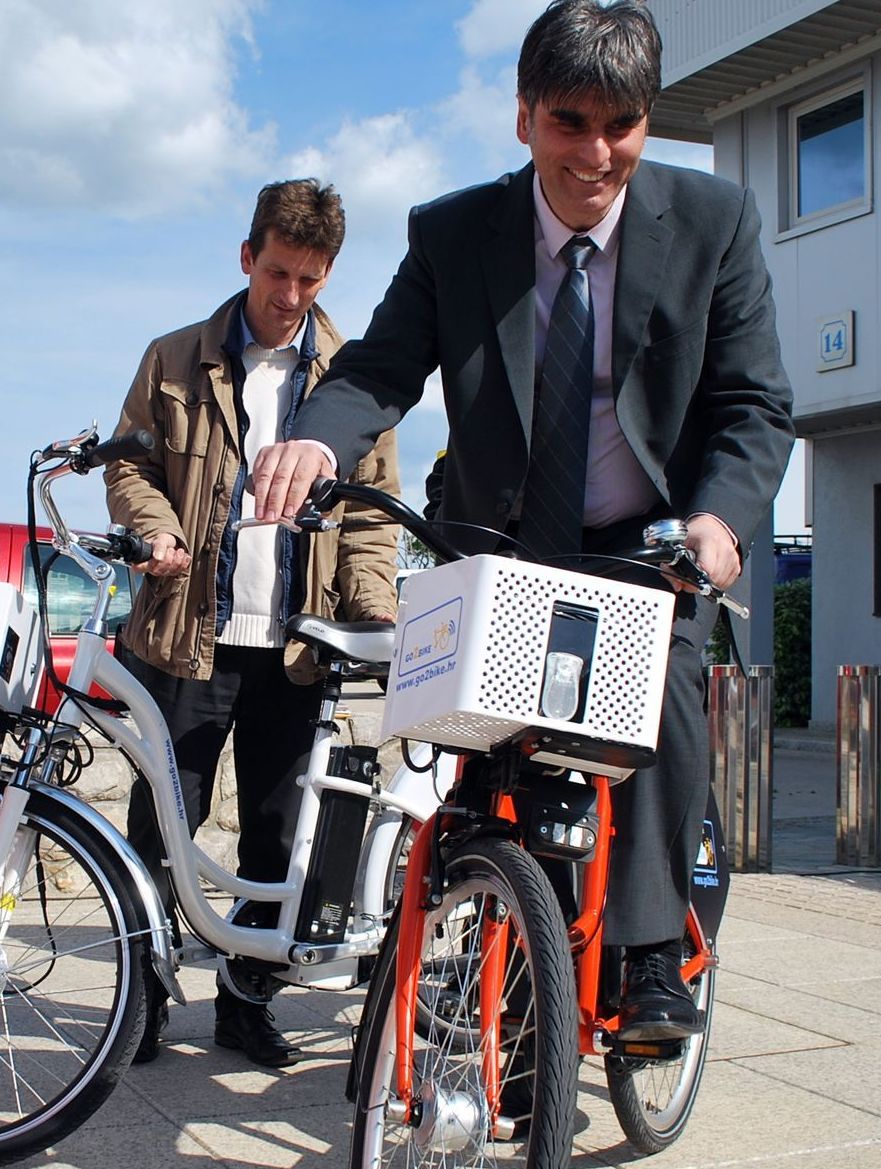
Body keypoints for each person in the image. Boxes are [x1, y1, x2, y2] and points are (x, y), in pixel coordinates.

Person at [251, 0, 794, 1043]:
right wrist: (316, 439)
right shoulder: (455, 233)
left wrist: (719, 517)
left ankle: (643, 959)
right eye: (567, 121)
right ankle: (483, 936)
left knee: (666, 686)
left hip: (643, 542)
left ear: (645, 118)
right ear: (522, 118)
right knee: (471, 756)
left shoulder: (711, 225)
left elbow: (752, 403)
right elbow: (376, 368)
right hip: (497, 542)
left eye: (620, 123)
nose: (594, 153)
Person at [105, 178, 402, 1068]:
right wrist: (152, 525)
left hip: (297, 652)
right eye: (278, 272)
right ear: (247, 257)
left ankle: (245, 1003)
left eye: (310, 280)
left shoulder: (355, 379)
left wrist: (375, 606)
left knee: (282, 838)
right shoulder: (172, 358)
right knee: (162, 826)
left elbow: (372, 513)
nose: (290, 295)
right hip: (186, 642)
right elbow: (127, 469)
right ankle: (141, 1003)